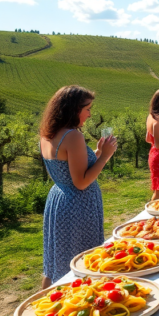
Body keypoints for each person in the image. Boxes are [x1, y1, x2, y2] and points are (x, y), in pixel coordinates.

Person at [39, 85, 117, 288]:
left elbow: (68, 164)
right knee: (82, 259)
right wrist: (106, 156)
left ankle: (45, 303)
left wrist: (97, 153)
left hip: (58, 199)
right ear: (74, 109)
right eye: (87, 108)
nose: (90, 114)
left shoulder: (48, 134)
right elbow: (81, 182)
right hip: (78, 205)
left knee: (56, 258)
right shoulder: (73, 136)